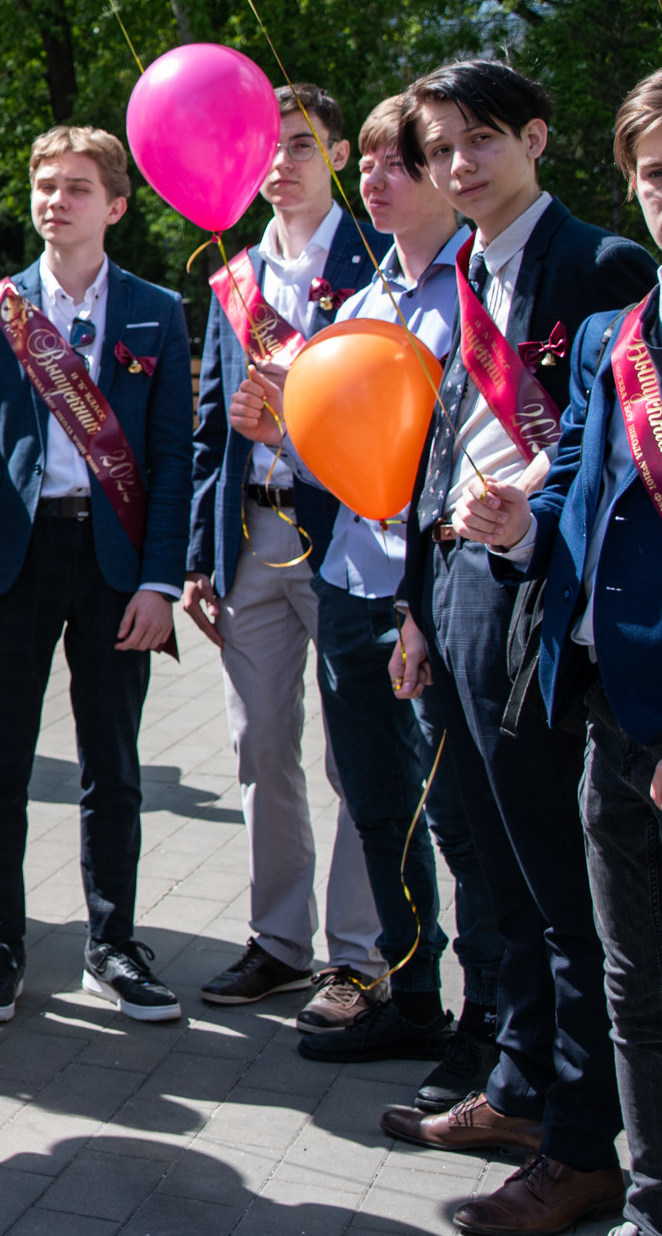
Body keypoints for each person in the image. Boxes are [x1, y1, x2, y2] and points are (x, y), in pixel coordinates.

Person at [452, 55, 662, 1236]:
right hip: (613, 716)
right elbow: (577, 486)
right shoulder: (620, 327)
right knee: (641, 995)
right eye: (655, 174)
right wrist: (520, 529)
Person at [377, 59, 651, 1234]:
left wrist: (531, 516)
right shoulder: (462, 267)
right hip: (454, 582)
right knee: (494, 859)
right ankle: (522, 1084)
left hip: (542, 597)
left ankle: (584, 1143)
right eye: (440, 148)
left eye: (481, 139)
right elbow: (441, 449)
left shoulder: (600, 266)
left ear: (536, 136)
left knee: (558, 885)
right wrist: (416, 605)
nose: (459, 164)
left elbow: (624, 446)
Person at [235, 96, 503, 1102]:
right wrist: (276, 422)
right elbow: (335, 452)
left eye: (403, 164)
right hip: (347, 575)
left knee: (460, 819)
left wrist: (420, 603)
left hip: (427, 592)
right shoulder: (366, 300)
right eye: (378, 166)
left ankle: (491, 1021)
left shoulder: (478, 297)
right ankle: (408, 988)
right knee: (381, 805)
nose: (380, 182)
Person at [0, 125, 193, 1027]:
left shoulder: (156, 311)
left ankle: (113, 945)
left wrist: (161, 583)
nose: (53, 200)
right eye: (42, 184)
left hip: (115, 564)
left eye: (75, 187)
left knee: (112, 762)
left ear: (115, 204)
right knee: (2, 762)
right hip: (20, 557)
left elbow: (174, 459)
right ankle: (0, 941)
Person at [184, 86, 387, 1021]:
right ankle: (277, 940)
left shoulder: (382, 263)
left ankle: (359, 952)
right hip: (251, 534)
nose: (281, 164)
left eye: (301, 145)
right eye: (269, 146)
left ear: (339, 154)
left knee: (357, 755)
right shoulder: (232, 275)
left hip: (349, 535)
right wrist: (198, 552)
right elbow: (205, 432)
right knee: (261, 747)